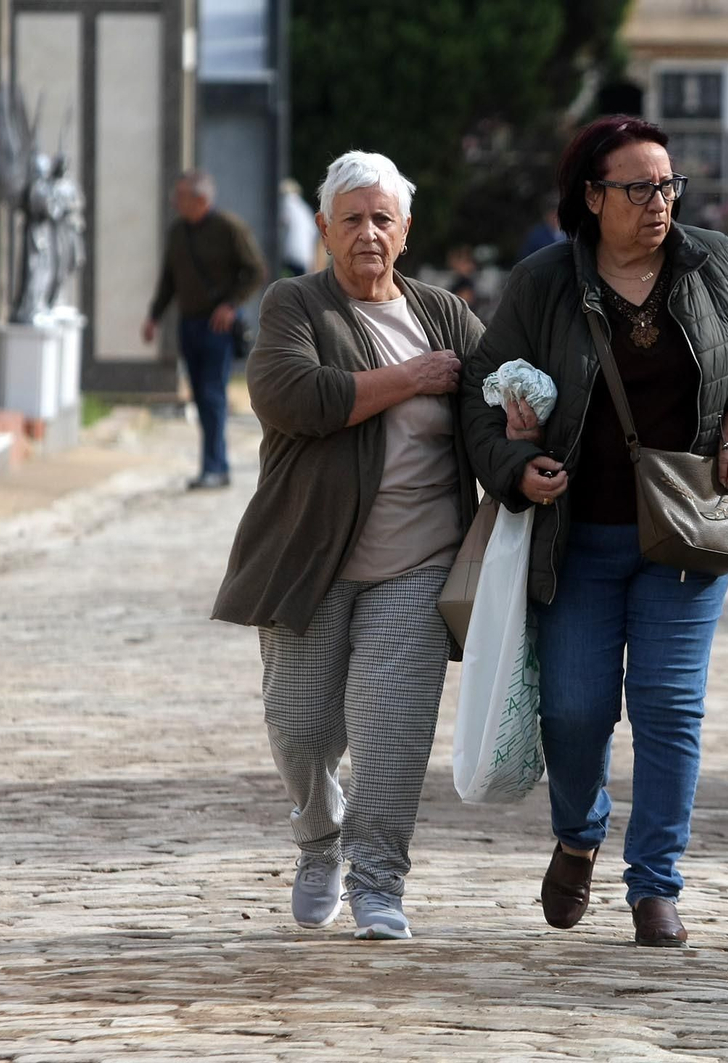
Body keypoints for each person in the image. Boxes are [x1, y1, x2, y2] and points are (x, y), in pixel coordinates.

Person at [460, 116, 728, 948]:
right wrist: (514, 465)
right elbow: (480, 399)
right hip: (578, 539)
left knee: (670, 707)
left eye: (669, 185)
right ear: (593, 196)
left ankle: (656, 884)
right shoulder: (543, 284)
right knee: (573, 711)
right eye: (639, 188)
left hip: (688, 531)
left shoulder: (711, 261)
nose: (660, 203)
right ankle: (579, 832)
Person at [211, 151, 484, 940]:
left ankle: (377, 882)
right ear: (325, 228)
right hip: (309, 557)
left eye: (383, 218)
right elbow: (295, 397)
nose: (369, 232)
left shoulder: (444, 315)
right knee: (300, 728)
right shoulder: (297, 304)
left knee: (391, 734)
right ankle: (318, 839)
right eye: (353, 219)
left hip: (419, 561)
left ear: (405, 230)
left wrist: (516, 417)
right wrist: (412, 378)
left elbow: (493, 396)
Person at [142, 170, 268, 489]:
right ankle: (213, 465)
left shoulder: (228, 228)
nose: (174, 201)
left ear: (201, 199)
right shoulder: (177, 232)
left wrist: (231, 305)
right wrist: (154, 317)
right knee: (200, 396)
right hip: (189, 323)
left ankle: (215, 467)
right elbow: (169, 279)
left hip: (217, 327)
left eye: (181, 196)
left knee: (212, 394)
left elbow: (255, 271)